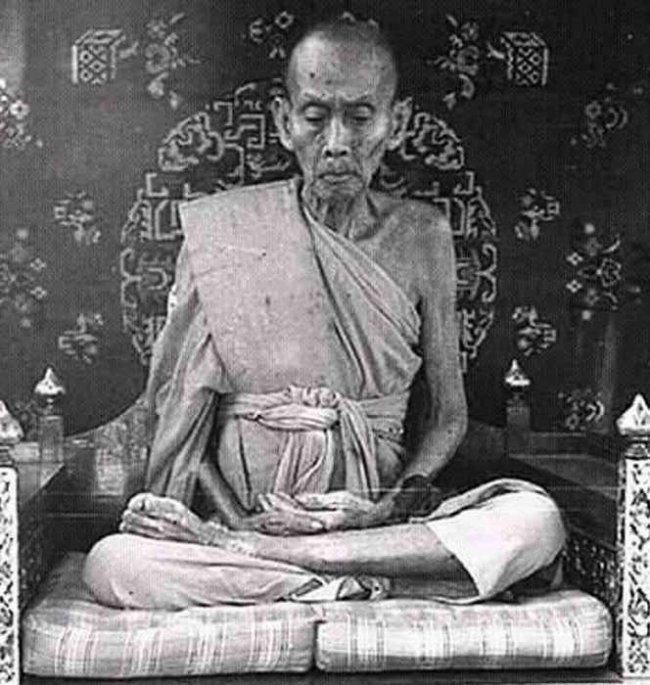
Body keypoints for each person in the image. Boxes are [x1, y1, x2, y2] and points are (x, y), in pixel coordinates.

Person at [83, 15, 565, 610]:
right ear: (285, 122)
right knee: (114, 563)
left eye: (360, 117)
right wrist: (237, 526)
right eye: (315, 117)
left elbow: (447, 415)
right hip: (244, 524)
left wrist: (386, 510)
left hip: (372, 523)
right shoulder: (224, 233)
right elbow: (184, 422)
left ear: (396, 123)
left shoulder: (423, 235)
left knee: (536, 520)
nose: (337, 142)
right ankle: (358, 576)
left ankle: (309, 567)